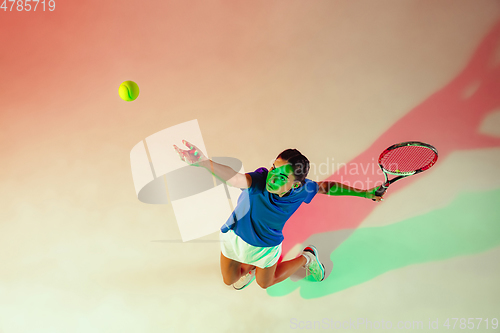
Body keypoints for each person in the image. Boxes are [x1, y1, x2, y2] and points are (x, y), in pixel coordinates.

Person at [173, 140, 383, 290]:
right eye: (274, 168)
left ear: (296, 183)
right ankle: (251, 266)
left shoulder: (303, 190)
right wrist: (203, 162)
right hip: (234, 237)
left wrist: (365, 193)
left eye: (283, 175)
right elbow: (235, 179)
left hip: (265, 247)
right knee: (229, 281)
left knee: (265, 283)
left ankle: (306, 258)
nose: (273, 177)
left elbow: (326, 187)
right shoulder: (259, 180)